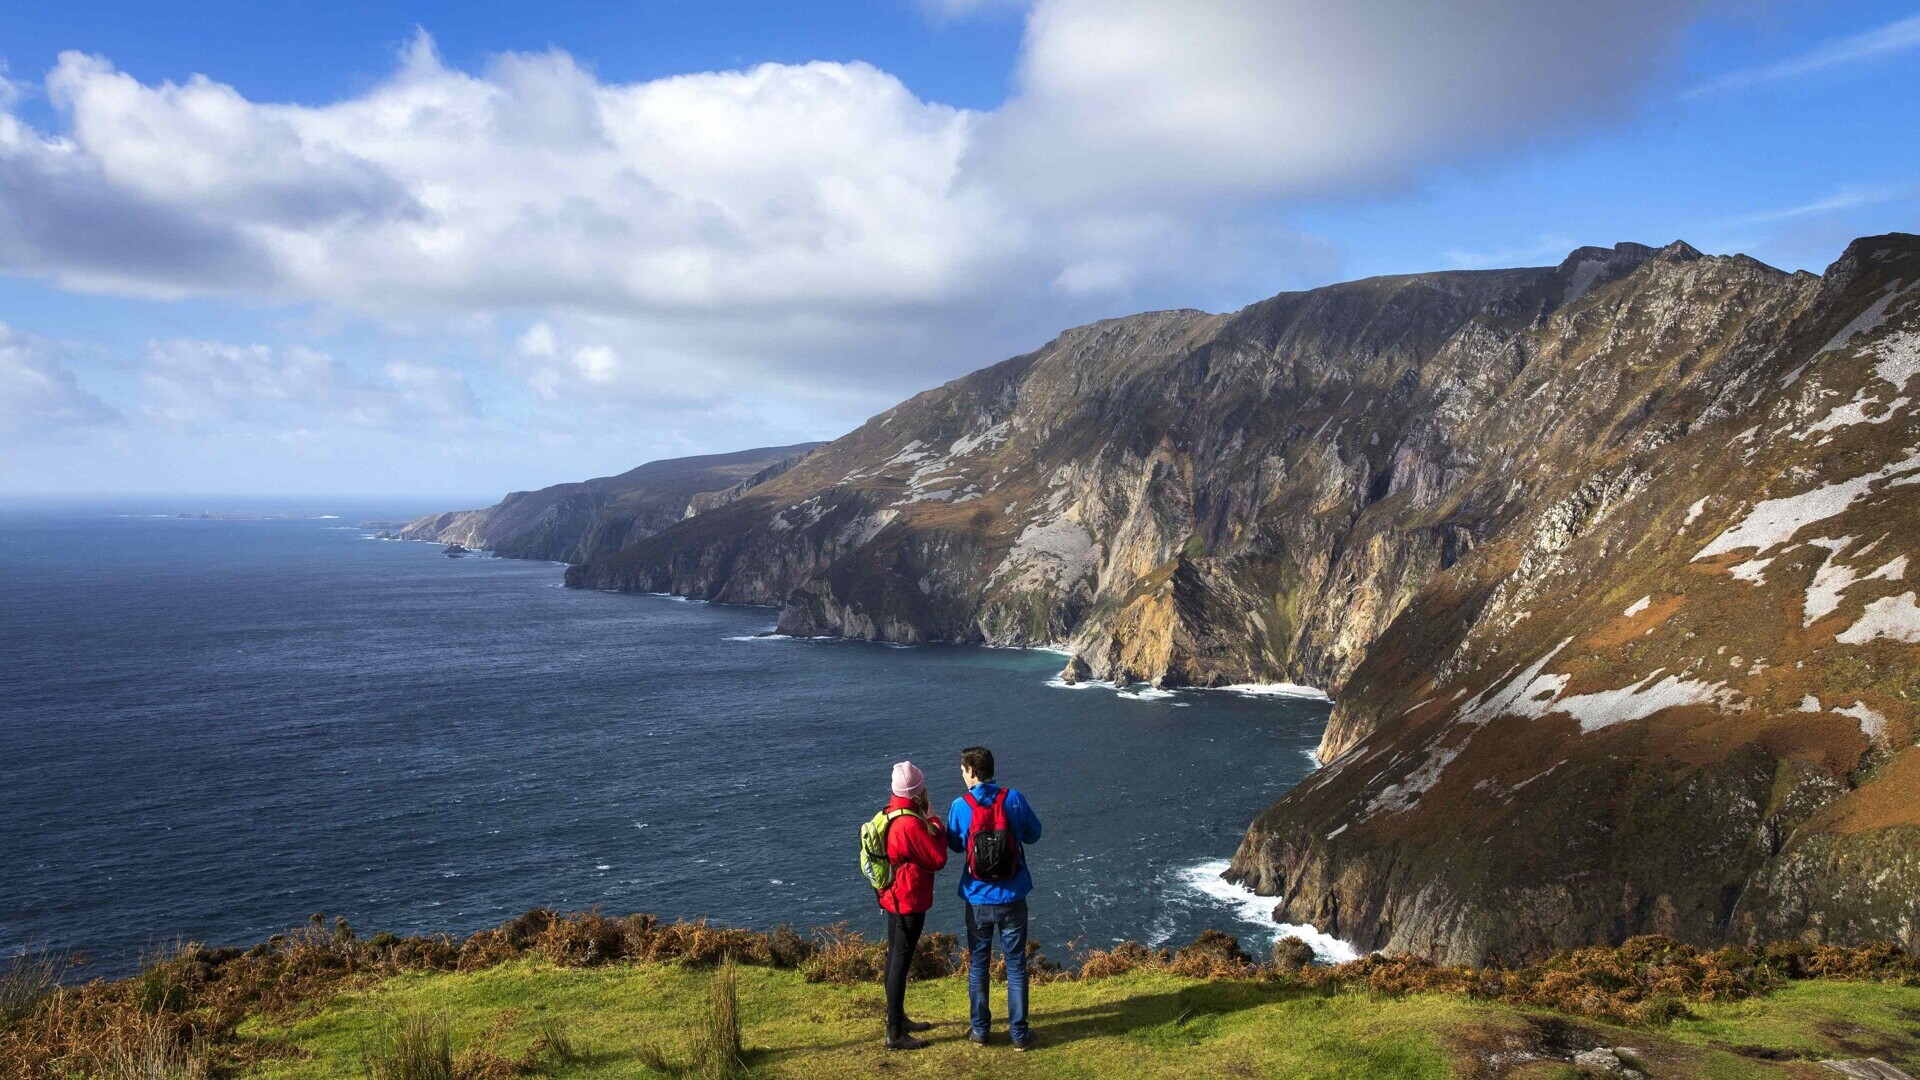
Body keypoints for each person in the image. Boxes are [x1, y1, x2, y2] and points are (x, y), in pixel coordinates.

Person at [946, 746, 1043, 1051]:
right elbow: (1034, 834)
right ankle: (1019, 1034)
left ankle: (980, 1030)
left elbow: (955, 845)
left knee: (978, 963)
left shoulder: (960, 805)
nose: (962, 775)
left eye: (963, 770)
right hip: (1013, 895)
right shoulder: (1013, 798)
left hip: (977, 897)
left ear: (972, 771)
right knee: (1015, 965)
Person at [878, 760, 947, 1050]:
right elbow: (937, 859)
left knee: (895, 958)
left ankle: (898, 1019)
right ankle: (895, 1033)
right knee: (899, 963)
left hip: (893, 896)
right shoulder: (910, 824)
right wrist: (935, 823)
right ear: (916, 794)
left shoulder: (890, 813)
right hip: (908, 900)